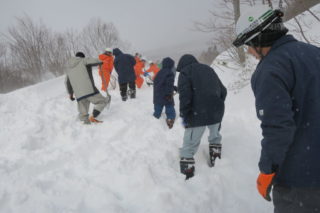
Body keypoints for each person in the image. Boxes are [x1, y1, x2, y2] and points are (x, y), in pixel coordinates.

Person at [233, 6, 320, 212]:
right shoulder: (314, 53)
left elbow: (278, 127)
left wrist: (267, 170)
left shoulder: (269, 69)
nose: (249, 51)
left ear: (259, 39)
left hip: (300, 181)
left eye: (248, 45)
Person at [177, 54, 227, 179]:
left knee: (189, 144)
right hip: (216, 110)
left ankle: (187, 174)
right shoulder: (209, 69)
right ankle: (216, 160)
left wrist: (184, 115)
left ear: (182, 65)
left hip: (197, 113)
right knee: (215, 137)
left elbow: (185, 96)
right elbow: (223, 90)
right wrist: (217, 103)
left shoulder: (185, 72)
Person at [65, 52, 107, 124]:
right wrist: (101, 61)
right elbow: (94, 61)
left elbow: (67, 82)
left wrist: (70, 94)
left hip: (79, 94)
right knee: (102, 101)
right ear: (82, 57)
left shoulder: (69, 69)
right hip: (89, 90)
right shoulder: (83, 60)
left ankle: (85, 125)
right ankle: (93, 116)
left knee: (83, 113)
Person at [153, 57, 176, 129]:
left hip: (157, 94)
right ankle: (170, 118)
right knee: (169, 106)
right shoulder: (170, 73)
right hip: (166, 95)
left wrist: (174, 88)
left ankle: (156, 116)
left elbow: (158, 83)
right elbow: (169, 84)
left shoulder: (159, 72)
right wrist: (169, 94)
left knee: (158, 106)